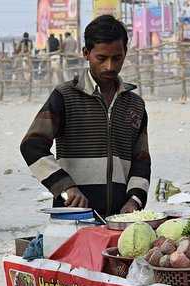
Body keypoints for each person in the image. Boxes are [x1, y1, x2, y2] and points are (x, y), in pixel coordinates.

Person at [20, 15, 151, 217]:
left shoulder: (135, 105)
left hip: (119, 219)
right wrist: (65, 187)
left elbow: (141, 160)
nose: (110, 66)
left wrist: (135, 199)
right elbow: (32, 145)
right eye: (101, 58)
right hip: (74, 215)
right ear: (86, 54)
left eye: (117, 58)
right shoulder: (65, 96)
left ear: (125, 53)